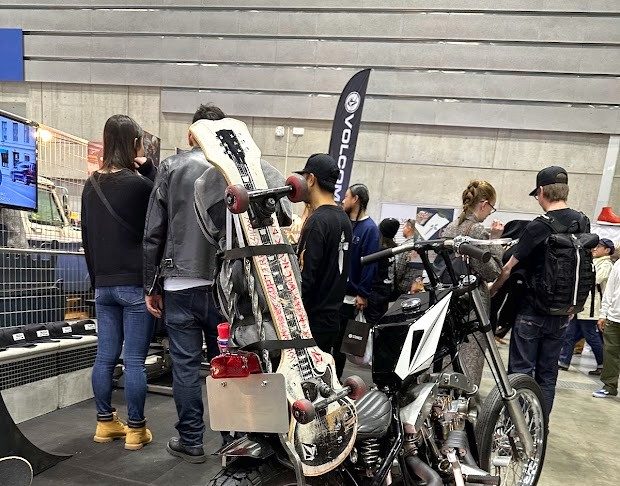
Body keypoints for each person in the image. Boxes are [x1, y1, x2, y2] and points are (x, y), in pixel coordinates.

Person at [142, 104, 224, 463]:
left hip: (178, 284)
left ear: (192, 133)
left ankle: (191, 441)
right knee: (227, 365)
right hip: (223, 289)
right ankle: (233, 439)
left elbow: (153, 231)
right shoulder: (233, 169)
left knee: (186, 367)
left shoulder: (172, 167)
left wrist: (150, 285)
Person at [81, 114, 156, 450]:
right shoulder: (140, 186)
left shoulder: (90, 185)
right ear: (134, 144)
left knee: (104, 357)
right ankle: (136, 430)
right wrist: (150, 170)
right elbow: (157, 223)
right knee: (135, 360)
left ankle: (105, 423)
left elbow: (86, 237)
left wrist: (97, 281)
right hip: (135, 285)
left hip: (103, 284)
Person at [490, 166, 590, 417]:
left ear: (542, 191)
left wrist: (492, 290)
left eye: (537, 194)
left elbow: (509, 268)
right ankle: (539, 427)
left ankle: (517, 427)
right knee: (547, 375)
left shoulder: (539, 226)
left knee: (520, 373)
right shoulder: (582, 221)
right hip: (563, 312)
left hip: (531, 311)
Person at [441, 180, 503, 387]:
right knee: (471, 352)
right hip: (472, 300)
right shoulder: (477, 230)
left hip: (450, 295)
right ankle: (466, 396)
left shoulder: (450, 227)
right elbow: (492, 271)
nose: (490, 212)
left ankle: (445, 394)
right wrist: (495, 239)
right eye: (491, 207)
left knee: (449, 350)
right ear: (484, 204)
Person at [295, 154, 352, 352]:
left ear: (311, 179)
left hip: (311, 322)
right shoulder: (344, 219)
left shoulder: (317, 222)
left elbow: (304, 279)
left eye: (304, 178)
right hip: (332, 319)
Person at [334, 184, 380, 378]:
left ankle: (336, 379)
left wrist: (362, 293)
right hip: (335, 294)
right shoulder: (345, 223)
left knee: (340, 345)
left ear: (356, 199)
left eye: (347, 196)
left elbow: (370, 264)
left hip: (351, 297)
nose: (343, 200)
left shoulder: (370, 229)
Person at [558, 238, 614, 374]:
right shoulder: (594, 261)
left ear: (607, 250)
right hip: (582, 306)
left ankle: (603, 364)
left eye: (599, 246)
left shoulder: (606, 265)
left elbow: (595, 279)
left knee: (591, 337)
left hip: (592, 308)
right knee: (570, 334)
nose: (595, 249)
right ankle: (563, 361)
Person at [365, 217, 399, 324]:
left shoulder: (378, 250)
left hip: (375, 292)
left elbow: (370, 271)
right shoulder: (394, 249)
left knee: (370, 324)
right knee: (381, 322)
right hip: (387, 292)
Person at [594, 258, 620, 398]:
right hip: (614, 317)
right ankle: (609, 386)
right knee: (610, 353)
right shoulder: (618, 264)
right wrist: (603, 314)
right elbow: (609, 290)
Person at [394, 218, 417, 296]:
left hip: (403, 287)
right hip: (415, 286)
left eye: (404, 227)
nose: (402, 230)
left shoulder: (406, 246)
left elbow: (399, 268)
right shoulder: (419, 244)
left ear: (409, 228)